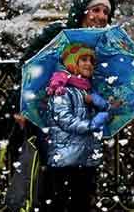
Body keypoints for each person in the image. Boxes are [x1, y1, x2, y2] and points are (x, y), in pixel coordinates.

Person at [0, 0, 116, 211]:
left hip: (84, 130)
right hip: (51, 125)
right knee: (51, 191)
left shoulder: (108, 45)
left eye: (106, 11)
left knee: (82, 191)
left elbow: (109, 85)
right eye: (95, 9)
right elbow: (28, 67)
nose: (100, 16)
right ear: (82, 10)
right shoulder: (58, 34)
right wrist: (26, 104)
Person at [40, 43, 111, 212]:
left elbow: (106, 111)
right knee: (63, 202)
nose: (89, 64)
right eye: (83, 60)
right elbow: (66, 121)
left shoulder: (85, 90)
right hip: (66, 159)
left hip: (84, 158)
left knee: (82, 202)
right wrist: (92, 124)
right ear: (72, 64)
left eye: (91, 61)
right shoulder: (61, 90)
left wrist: (98, 103)